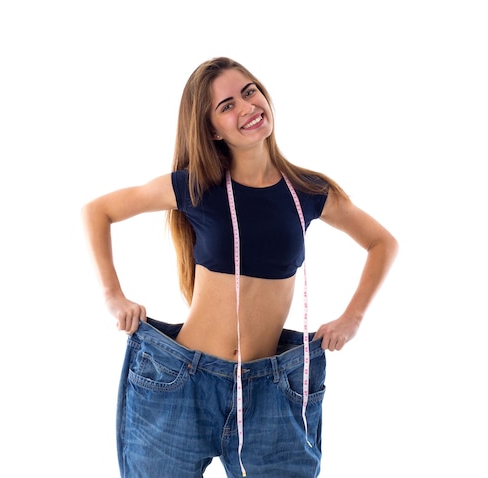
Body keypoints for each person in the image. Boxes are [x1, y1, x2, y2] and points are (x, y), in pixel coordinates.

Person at [81, 56, 398, 478]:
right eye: (226, 105)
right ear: (212, 128)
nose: (246, 107)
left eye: (249, 92)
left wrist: (352, 317)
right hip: (181, 382)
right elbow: (97, 211)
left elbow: (382, 242)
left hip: (271, 389)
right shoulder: (196, 186)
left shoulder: (308, 191)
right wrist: (112, 295)